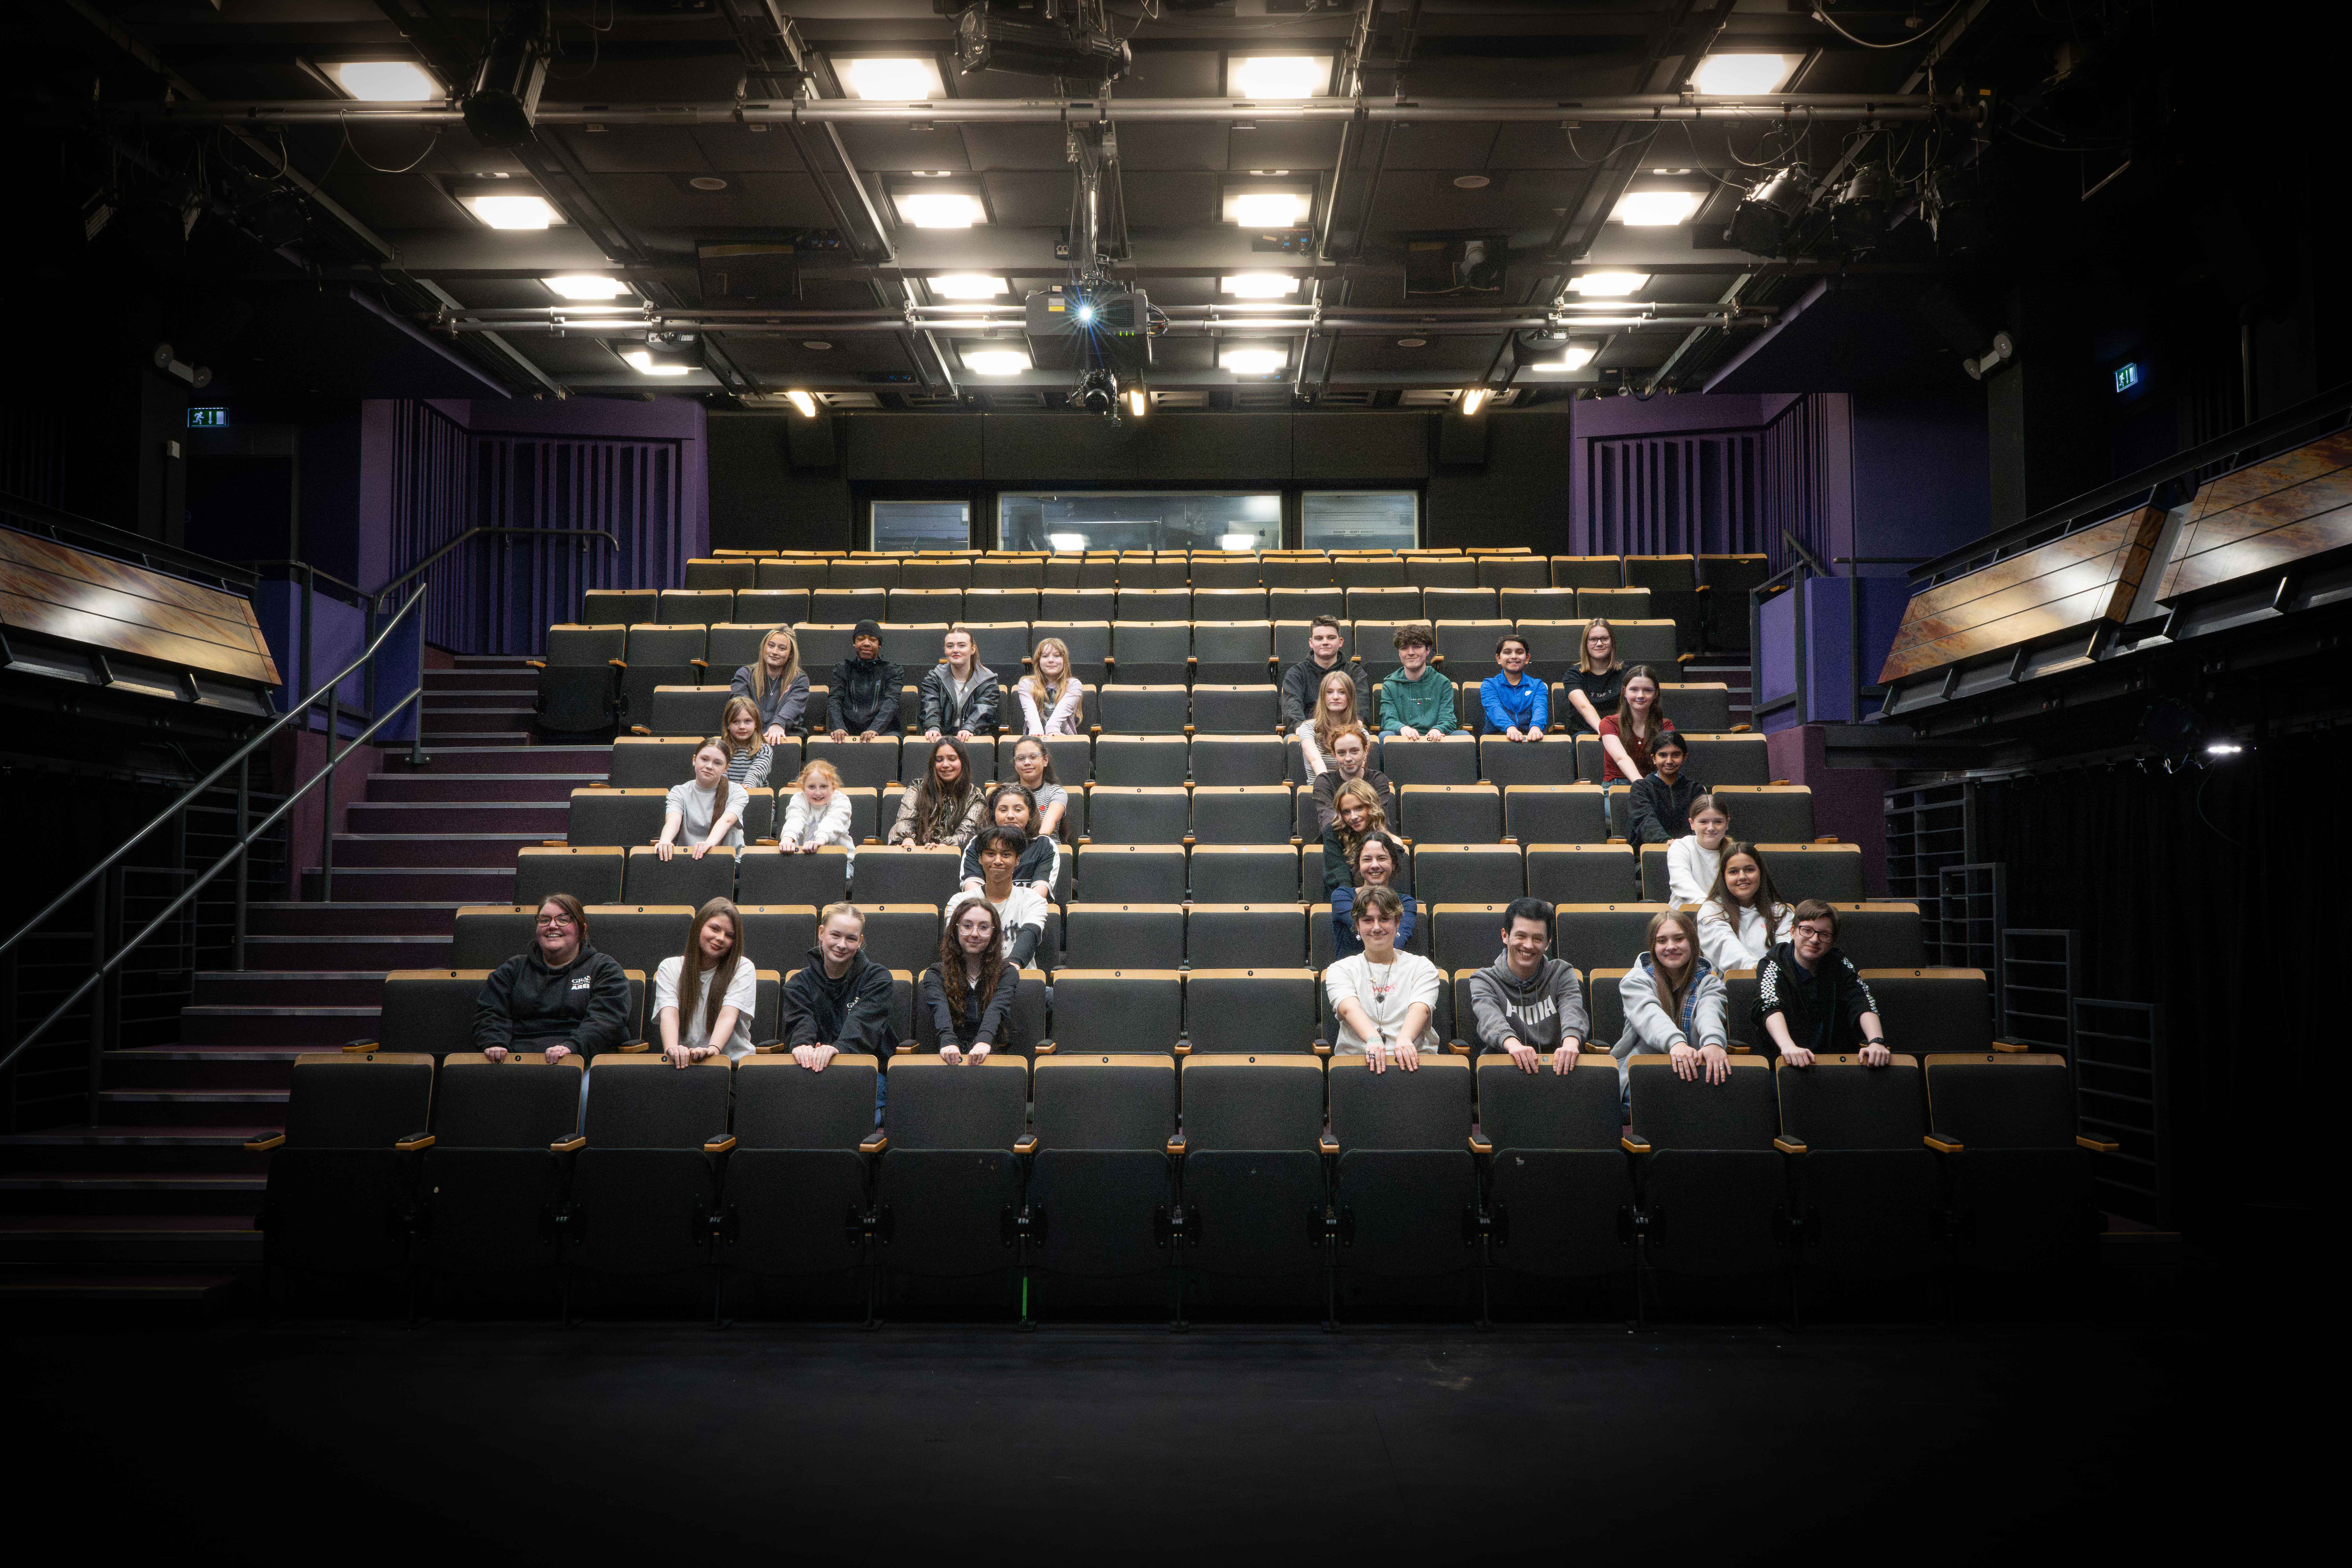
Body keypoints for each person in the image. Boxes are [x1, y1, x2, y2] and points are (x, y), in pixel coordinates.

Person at [473, 894, 632, 1064]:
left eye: (563, 920)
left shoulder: (604, 968)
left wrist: (572, 1046)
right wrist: (495, 1042)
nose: (552, 925)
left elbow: (606, 1020)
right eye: (544, 920)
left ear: (582, 929)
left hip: (580, 1059)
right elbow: (490, 1012)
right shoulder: (513, 969)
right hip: (515, 1059)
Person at [1323, 884, 1444, 1073]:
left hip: (1414, 1062)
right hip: (1357, 1064)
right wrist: (1373, 1039)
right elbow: (1348, 1009)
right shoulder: (1340, 969)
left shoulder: (1422, 966)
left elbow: (1421, 1009)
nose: (1377, 927)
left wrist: (1404, 1040)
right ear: (1357, 926)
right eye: (1368, 920)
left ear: (1397, 923)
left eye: (1385, 919)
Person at [1756, 900, 1891, 1068]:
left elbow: (1861, 1000)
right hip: (1788, 1060)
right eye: (1807, 931)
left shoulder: (1839, 962)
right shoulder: (1774, 962)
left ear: (1832, 941)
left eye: (1824, 934)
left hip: (1836, 1060)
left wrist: (1876, 1042)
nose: (1814, 940)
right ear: (1792, 932)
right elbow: (1769, 1005)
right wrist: (1788, 1046)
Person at [1610, 908, 1730, 1094]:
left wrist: (1713, 1042)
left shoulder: (1710, 982)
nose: (1671, 946)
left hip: (1697, 1070)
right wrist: (1676, 1044)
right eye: (1662, 941)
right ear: (1653, 946)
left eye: (1679, 939)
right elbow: (1650, 1016)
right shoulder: (1634, 981)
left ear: (1692, 941)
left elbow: (1710, 1013)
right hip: (1645, 1073)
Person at [1469, 897, 1589, 1074]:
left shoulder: (1561, 972)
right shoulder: (1484, 979)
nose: (1528, 945)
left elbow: (1572, 1009)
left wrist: (1571, 1043)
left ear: (1548, 943)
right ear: (1505, 936)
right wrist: (1514, 1046)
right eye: (1521, 936)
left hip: (1557, 1069)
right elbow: (1490, 1020)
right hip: (1507, 1069)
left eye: (1537, 939)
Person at [781, 902, 896, 1071]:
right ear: (821, 933)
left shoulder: (878, 978)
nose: (842, 945)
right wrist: (803, 1046)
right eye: (835, 935)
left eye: (851, 938)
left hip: (864, 1072)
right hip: (809, 1069)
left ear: (860, 941)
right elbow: (801, 1024)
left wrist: (838, 1049)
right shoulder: (798, 984)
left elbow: (863, 1028)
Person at [653, 897, 756, 1066]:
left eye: (729, 935)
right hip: (684, 1065)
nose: (721, 938)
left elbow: (728, 1016)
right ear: (699, 926)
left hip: (732, 1066)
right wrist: (673, 1049)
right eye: (715, 929)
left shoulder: (743, 967)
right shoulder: (670, 967)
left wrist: (713, 1049)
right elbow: (669, 1015)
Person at [920, 897, 1022, 1064]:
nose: (975, 933)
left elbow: (997, 1008)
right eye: (967, 926)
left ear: (994, 933)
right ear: (955, 929)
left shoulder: (1007, 972)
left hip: (993, 1056)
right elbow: (939, 1008)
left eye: (984, 927)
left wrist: (984, 1040)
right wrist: (948, 1040)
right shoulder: (936, 973)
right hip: (948, 1056)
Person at [943, 826, 1047, 967]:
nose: (998, 861)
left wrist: (1009, 973)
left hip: (1019, 980)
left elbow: (1030, 936)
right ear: (980, 858)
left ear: (1018, 860)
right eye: (991, 854)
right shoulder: (960, 901)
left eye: (1006, 855)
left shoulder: (1033, 900)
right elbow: (954, 945)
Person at [1697, 843, 1794, 974]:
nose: (1742, 877)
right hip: (1728, 989)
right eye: (1734, 872)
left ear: (1761, 873)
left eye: (1750, 870)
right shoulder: (1712, 911)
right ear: (1724, 877)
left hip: (1775, 983)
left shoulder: (1780, 912)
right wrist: (1757, 967)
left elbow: (1787, 952)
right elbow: (1727, 949)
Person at [656, 737, 749, 861]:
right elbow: (674, 821)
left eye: (717, 763)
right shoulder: (679, 792)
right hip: (688, 857)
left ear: (726, 768)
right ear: (695, 760)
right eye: (704, 760)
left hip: (728, 860)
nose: (709, 766)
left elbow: (726, 821)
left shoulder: (737, 792)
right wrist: (665, 840)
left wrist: (709, 844)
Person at [1329, 828, 1414, 959]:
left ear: (1394, 864)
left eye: (1382, 859)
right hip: (1350, 975)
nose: (1375, 865)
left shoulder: (1406, 904)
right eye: (1367, 860)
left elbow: (1398, 942)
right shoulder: (1342, 897)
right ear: (1358, 864)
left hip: (1392, 973)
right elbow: (1367, 931)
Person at [959, 783, 1059, 894]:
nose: (1010, 816)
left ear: (1030, 814)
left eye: (1018, 810)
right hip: (985, 910)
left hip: (1028, 910)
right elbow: (973, 892)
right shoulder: (978, 843)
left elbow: (1039, 895)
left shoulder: (1044, 845)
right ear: (994, 815)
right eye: (1003, 810)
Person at [887, 737, 984, 848]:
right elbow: (905, 821)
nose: (945, 765)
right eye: (939, 760)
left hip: (953, 857)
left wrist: (943, 848)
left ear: (963, 762)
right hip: (916, 853)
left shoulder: (975, 798)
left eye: (952, 759)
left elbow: (966, 833)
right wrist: (908, 840)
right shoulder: (918, 789)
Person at [1280, 615, 1371, 733]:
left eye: (1331, 638)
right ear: (1311, 643)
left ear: (1340, 642)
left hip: (1346, 732)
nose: (1325, 642)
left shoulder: (1355, 672)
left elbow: (1361, 705)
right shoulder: (1296, 673)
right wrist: (1302, 729)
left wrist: (1353, 727)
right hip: (1310, 732)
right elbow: (1292, 705)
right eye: (1319, 639)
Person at [1626, 728, 1705, 853]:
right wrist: (1665, 841)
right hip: (1651, 853)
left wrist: (1684, 845)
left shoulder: (1695, 789)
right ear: (1654, 759)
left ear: (1685, 757)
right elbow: (1645, 820)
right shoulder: (1641, 788)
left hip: (1690, 852)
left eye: (1676, 755)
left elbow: (1701, 822)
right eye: (1663, 755)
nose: (1669, 761)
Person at [919, 625, 1000, 744]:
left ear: (973, 649)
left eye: (962, 646)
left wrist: (969, 728)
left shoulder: (988, 680)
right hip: (941, 737)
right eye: (950, 646)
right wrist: (933, 727)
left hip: (974, 737)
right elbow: (930, 705)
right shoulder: (934, 678)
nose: (955, 650)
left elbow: (984, 709)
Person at [1379, 623, 1461, 741]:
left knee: (1463, 735)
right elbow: (1388, 720)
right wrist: (1403, 728)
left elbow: (1448, 719)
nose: (1411, 653)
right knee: (1384, 737)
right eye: (1404, 648)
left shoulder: (1443, 683)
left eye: (1417, 647)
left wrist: (1438, 729)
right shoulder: (1390, 685)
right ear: (1399, 653)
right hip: (1403, 741)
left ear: (1428, 650)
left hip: (1436, 740)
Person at [1309, 725, 1395, 834]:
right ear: (1334, 754)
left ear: (1366, 751)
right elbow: (1328, 822)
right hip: (1337, 842)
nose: (1348, 759)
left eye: (1354, 751)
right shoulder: (1325, 782)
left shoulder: (1378, 780)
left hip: (1372, 842)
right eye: (1341, 753)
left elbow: (1379, 819)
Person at [826, 620, 903, 742]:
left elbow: (891, 703)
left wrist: (875, 730)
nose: (866, 644)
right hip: (846, 731)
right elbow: (835, 700)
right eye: (861, 639)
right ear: (855, 644)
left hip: (883, 732)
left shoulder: (893, 670)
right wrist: (838, 727)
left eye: (873, 640)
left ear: (880, 645)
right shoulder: (843, 669)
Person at [1597, 665, 1673, 786]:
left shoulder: (1666, 726)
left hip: (1654, 784)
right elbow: (1621, 758)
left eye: (1648, 690)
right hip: (1617, 786)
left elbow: (1666, 762)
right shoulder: (1609, 723)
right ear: (1624, 692)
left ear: (1656, 694)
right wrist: (1642, 786)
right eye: (1634, 690)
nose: (1641, 696)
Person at [730, 626, 807, 744]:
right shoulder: (745, 674)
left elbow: (794, 705)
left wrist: (778, 724)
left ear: (791, 654)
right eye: (771, 646)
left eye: (782, 649)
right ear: (764, 648)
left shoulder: (800, 679)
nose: (775, 652)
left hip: (783, 737)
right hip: (750, 736)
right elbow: (741, 705)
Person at [1320, 779, 1390, 900]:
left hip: (1382, 901)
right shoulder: (1333, 832)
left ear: (1371, 807)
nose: (1353, 817)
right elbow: (1338, 874)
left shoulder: (1386, 839)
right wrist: (1350, 903)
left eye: (1359, 808)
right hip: (1344, 900)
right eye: (1347, 812)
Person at [1558, 619, 1626, 736]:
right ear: (1586, 644)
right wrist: (1606, 733)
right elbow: (1584, 707)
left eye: (1605, 639)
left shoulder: (1626, 672)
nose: (1599, 644)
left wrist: (1614, 732)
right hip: (1585, 733)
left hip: (1620, 731)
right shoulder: (1574, 674)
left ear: (1612, 642)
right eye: (1593, 640)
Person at [1295, 669, 1364, 779]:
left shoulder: (1361, 733)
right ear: (1323, 697)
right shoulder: (1308, 728)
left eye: (1342, 692)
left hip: (1350, 790)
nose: (1336, 697)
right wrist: (1328, 788)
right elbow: (1315, 760)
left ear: (1350, 698)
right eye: (1330, 692)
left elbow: (1358, 772)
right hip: (1320, 789)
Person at [779, 758, 856, 856]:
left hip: (838, 860)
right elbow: (795, 819)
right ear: (803, 787)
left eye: (824, 787)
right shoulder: (799, 799)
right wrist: (788, 838)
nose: (818, 793)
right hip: (804, 858)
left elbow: (834, 821)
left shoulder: (841, 800)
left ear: (833, 787)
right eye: (812, 787)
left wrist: (820, 840)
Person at [1480, 633, 1549, 741]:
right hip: (1498, 740)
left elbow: (1540, 709)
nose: (1514, 656)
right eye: (1508, 653)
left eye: (1519, 652)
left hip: (1532, 739)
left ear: (1527, 658)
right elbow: (1495, 710)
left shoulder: (1538, 686)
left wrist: (1536, 728)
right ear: (1498, 659)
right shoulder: (1490, 685)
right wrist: (1510, 728)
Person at [1667, 792, 1730, 906]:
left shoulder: (1735, 852)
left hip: (1727, 915)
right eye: (1704, 822)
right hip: (1687, 917)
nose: (1711, 828)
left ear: (1727, 824)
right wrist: (1711, 909)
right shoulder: (1681, 847)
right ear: (1692, 824)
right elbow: (1682, 884)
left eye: (1718, 822)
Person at [1018, 637, 1086, 735]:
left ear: (1065, 661)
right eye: (1045, 656)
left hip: (1064, 739)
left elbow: (1054, 724)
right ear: (1038, 662)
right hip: (1034, 740)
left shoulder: (1074, 685)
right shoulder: (1027, 684)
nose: (1051, 660)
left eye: (1057, 656)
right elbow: (1032, 718)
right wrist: (1037, 734)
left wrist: (1053, 731)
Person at [1006, 735, 1069, 839]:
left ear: (1045, 760)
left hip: (1047, 848)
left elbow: (1046, 830)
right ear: (1015, 764)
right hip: (1012, 850)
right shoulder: (1006, 792)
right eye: (1021, 759)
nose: (1027, 763)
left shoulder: (1056, 792)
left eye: (1034, 757)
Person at [717, 695, 774, 789]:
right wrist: (732, 790)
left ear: (756, 724)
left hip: (754, 796)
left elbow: (757, 773)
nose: (742, 727)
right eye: (736, 722)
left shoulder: (764, 749)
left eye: (748, 721)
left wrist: (746, 788)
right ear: (728, 725)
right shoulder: (720, 749)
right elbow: (721, 774)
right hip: (728, 795)